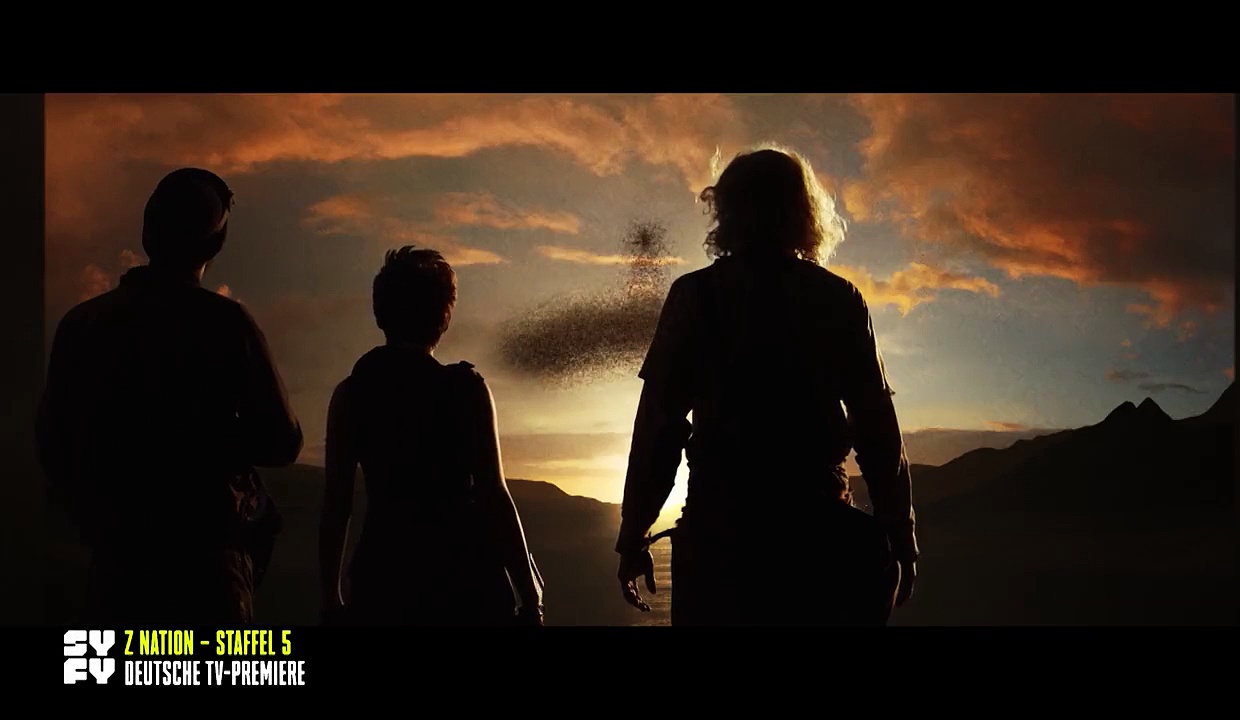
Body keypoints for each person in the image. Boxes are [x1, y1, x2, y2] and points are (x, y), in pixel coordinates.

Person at [615, 146, 919, 626]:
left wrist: (633, 533)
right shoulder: (838, 298)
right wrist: (901, 536)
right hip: (819, 541)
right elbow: (877, 429)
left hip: (720, 542)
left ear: (725, 211)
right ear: (803, 212)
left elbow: (658, 428)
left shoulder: (694, 296)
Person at [37, 167, 302, 626]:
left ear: (147, 231)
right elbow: (283, 440)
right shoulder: (227, 323)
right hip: (208, 567)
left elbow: (52, 446)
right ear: (216, 244)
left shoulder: (81, 324)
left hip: (118, 563)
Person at [320, 247, 544, 627]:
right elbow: (493, 494)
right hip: (465, 584)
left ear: (379, 313)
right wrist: (530, 594)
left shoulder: (351, 394)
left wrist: (330, 599)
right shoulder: (466, 390)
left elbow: (336, 505)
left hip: (383, 580)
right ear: (443, 316)